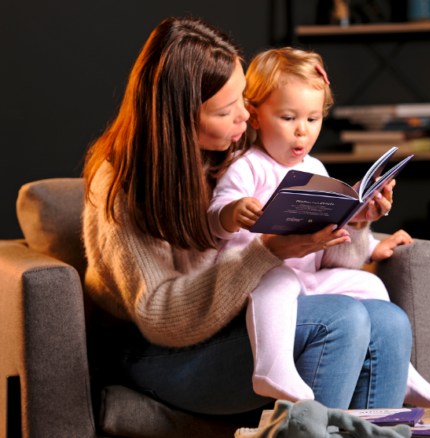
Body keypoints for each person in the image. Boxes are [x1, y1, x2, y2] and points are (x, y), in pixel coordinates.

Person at [82, 16, 412, 416]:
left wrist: (353, 220)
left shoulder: (239, 149)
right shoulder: (123, 183)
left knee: (388, 321)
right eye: (226, 110)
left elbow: (317, 258)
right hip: (155, 350)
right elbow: (160, 316)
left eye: (243, 97)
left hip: (241, 319)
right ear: (181, 118)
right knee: (338, 319)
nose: (246, 116)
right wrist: (266, 252)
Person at [208, 47, 430, 407]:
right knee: (281, 279)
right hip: (256, 281)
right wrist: (230, 213)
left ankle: (402, 370)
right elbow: (213, 219)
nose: (302, 132)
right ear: (255, 116)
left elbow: (329, 228)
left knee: (369, 283)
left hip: (308, 281)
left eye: (313, 119)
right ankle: (272, 367)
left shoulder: (315, 169)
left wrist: (363, 227)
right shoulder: (246, 166)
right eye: (288, 118)